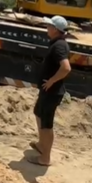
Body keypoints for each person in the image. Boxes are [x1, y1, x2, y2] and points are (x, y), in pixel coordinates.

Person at [31, 15, 71, 167]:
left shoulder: (59, 46)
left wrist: (52, 81)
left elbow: (66, 68)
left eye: (49, 26)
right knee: (38, 113)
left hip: (52, 92)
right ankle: (42, 145)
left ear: (55, 29)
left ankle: (45, 158)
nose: (47, 28)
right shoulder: (57, 43)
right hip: (48, 91)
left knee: (47, 124)